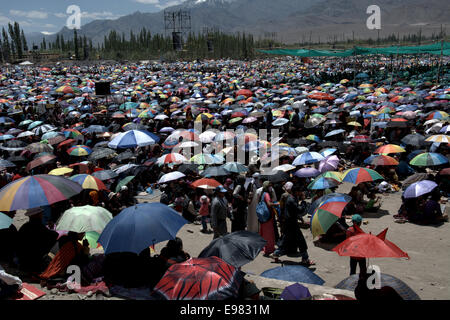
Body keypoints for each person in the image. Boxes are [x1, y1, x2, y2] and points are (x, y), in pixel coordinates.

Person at [273, 184, 315, 266]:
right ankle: (305, 259)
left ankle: (275, 254)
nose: (301, 193)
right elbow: (299, 210)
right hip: (291, 224)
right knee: (301, 241)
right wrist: (303, 202)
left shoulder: (292, 198)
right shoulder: (291, 200)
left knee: (286, 241)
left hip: (290, 223)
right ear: (296, 192)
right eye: (300, 192)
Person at [16, 207, 59, 273]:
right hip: (37, 263)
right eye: (41, 213)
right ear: (38, 215)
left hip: (24, 262)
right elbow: (54, 236)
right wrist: (52, 230)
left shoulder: (24, 227)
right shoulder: (39, 227)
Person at [259, 181, 277, 257]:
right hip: (267, 216)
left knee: (264, 232)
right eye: (269, 186)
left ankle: (264, 247)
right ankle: (269, 249)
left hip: (263, 216)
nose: (271, 187)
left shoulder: (262, 194)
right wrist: (277, 203)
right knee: (268, 233)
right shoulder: (266, 194)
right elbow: (269, 204)